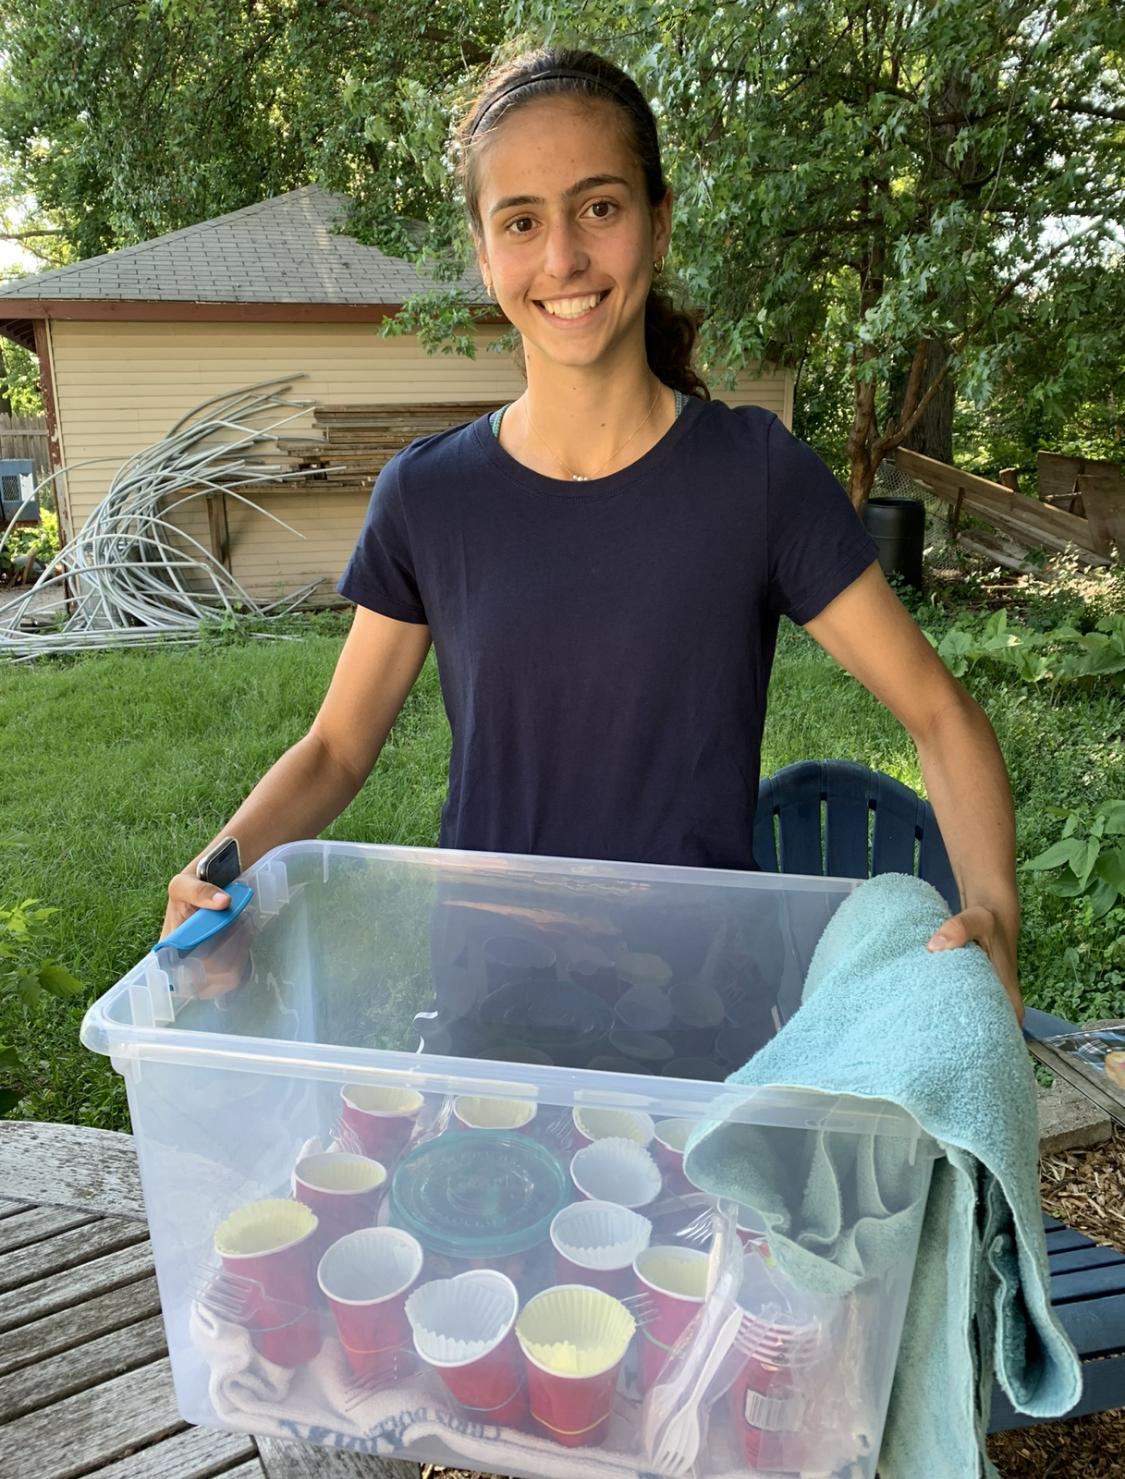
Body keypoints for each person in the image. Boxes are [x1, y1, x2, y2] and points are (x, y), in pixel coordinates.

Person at [162, 45, 1024, 1025]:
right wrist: (217, 868)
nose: (564, 257)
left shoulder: (755, 478)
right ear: (485, 256)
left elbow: (942, 717)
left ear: (656, 224)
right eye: (521, 221)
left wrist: (994, 908)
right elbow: (336, 751)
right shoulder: (429, 496)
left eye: (599, 208)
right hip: (489, 1006)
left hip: (700, 1016)